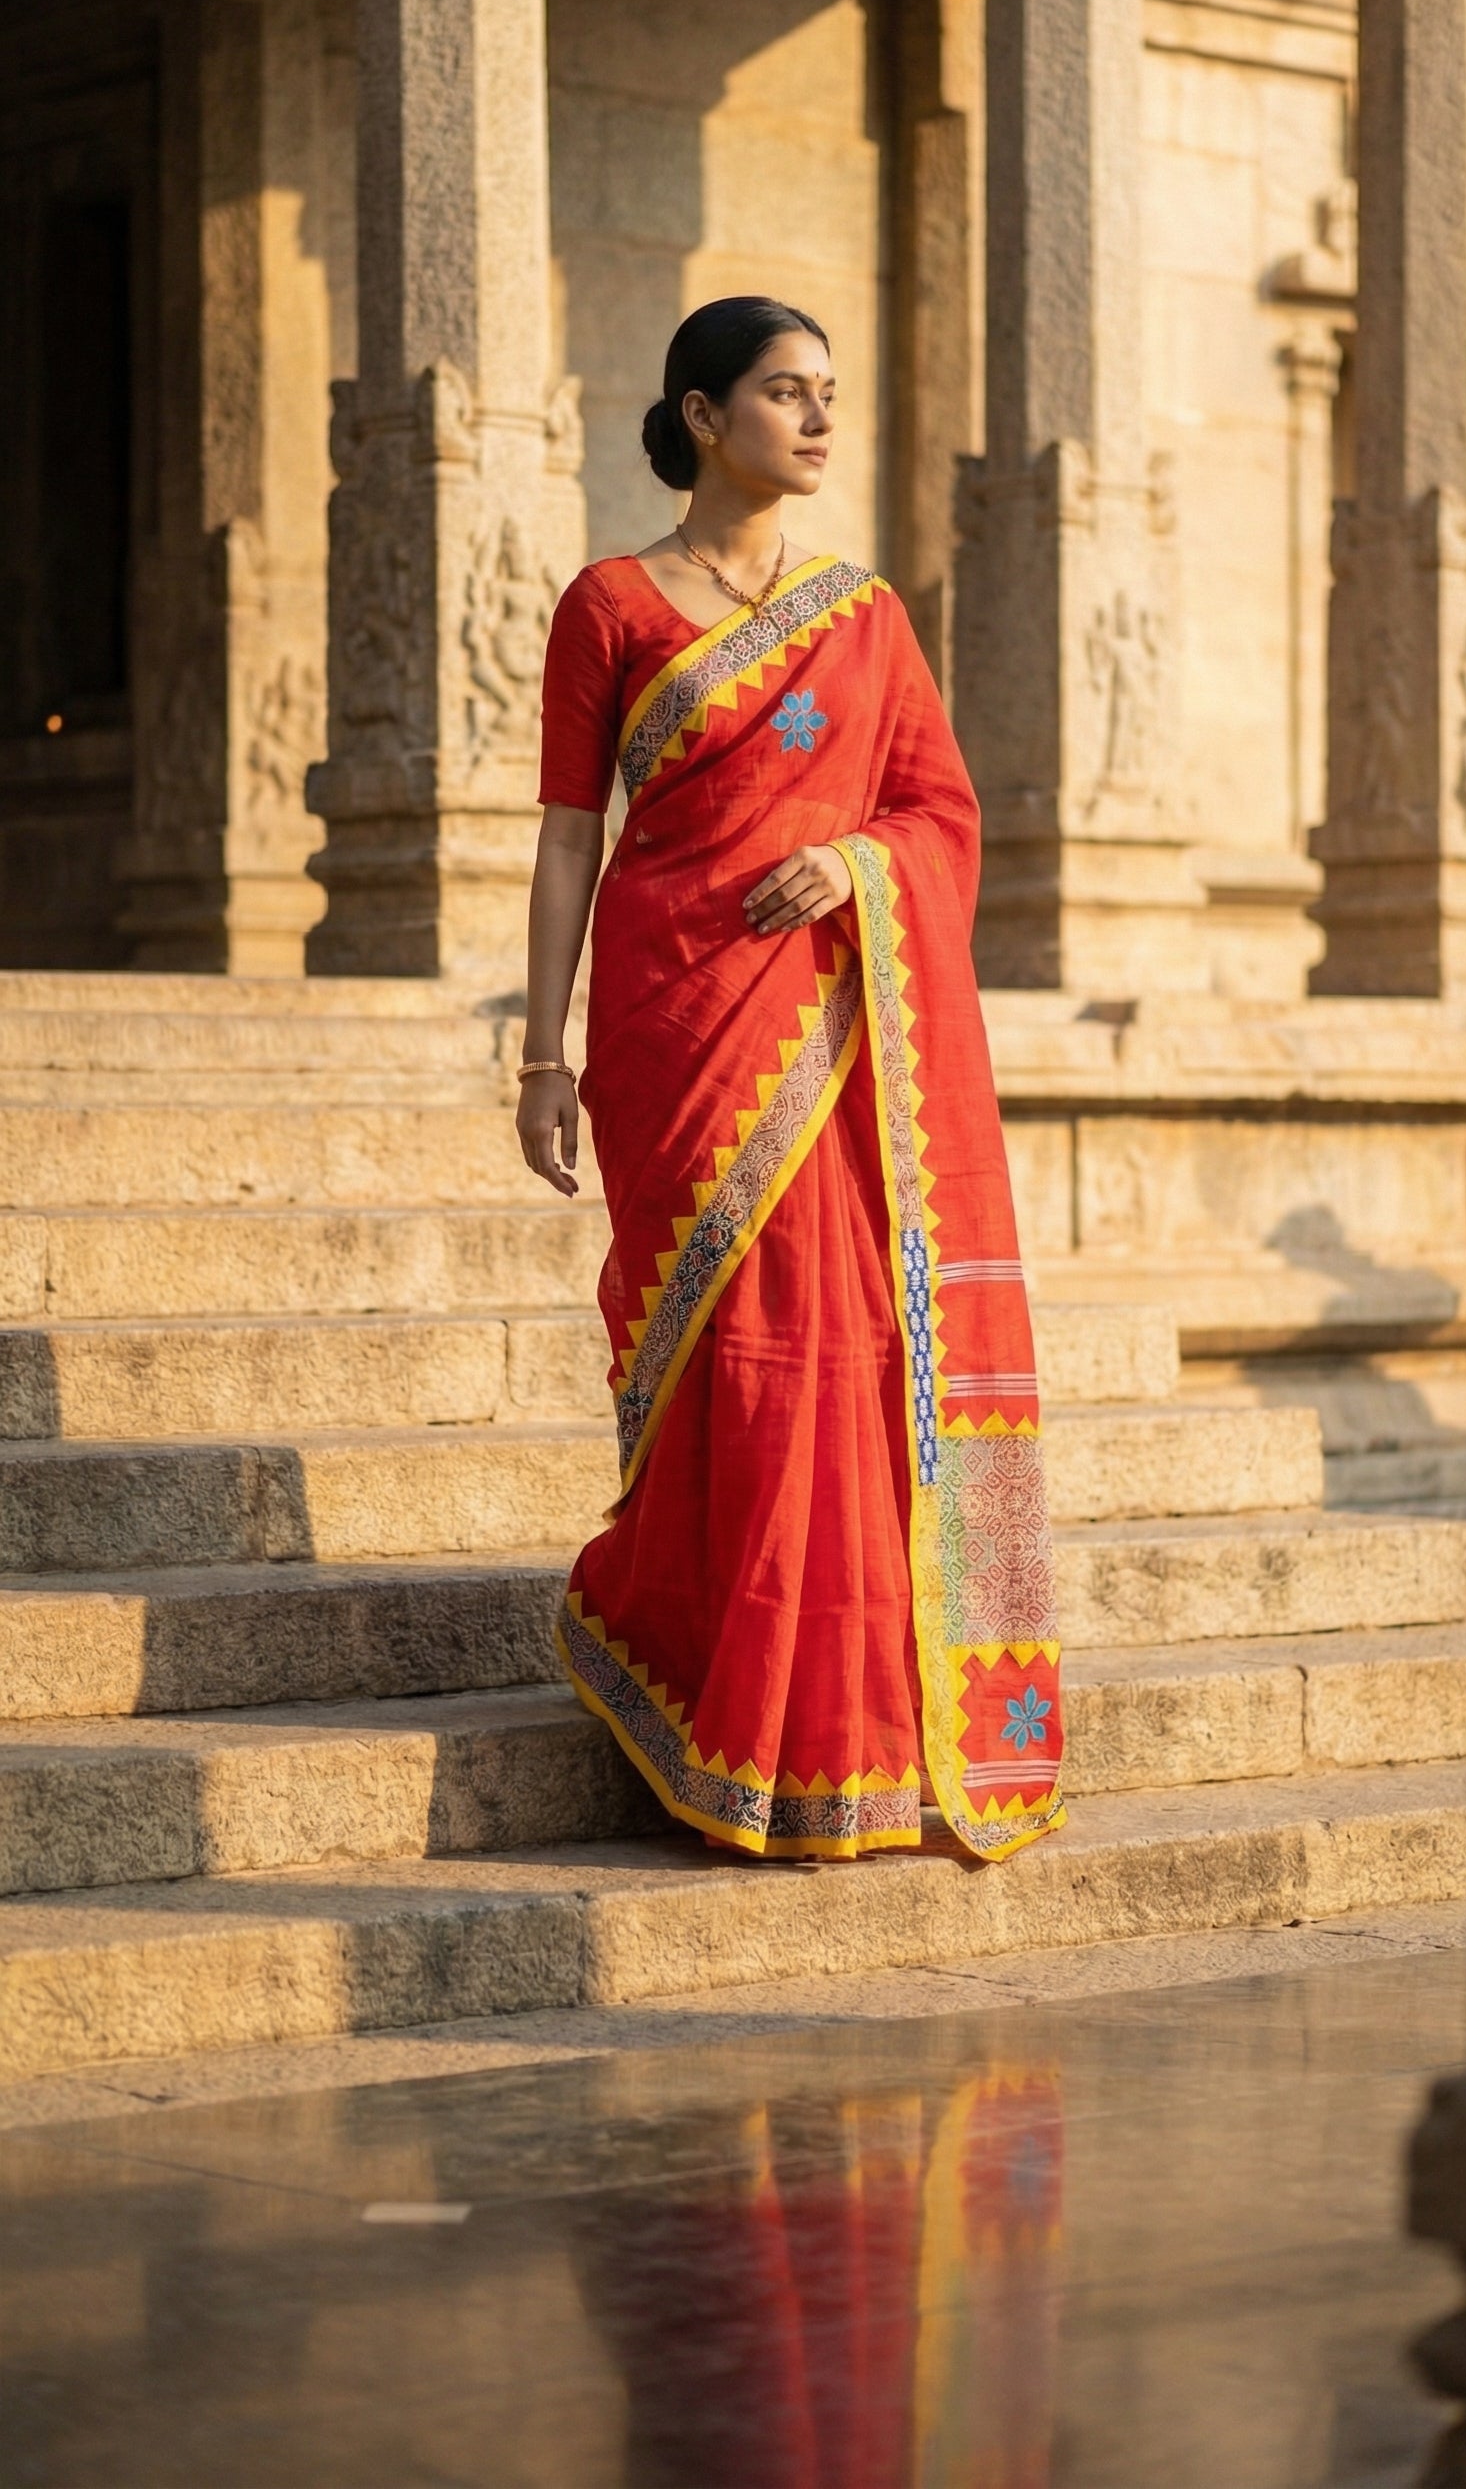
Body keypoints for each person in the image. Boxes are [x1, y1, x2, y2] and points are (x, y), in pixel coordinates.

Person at [518, 296, 1063, 1862]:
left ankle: (838, 1727)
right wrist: (543, 1053)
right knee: (725, 1354)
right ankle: (704, 1685)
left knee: (837, 1347)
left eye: (830, 392)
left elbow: (938, 816)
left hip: (831, 1027)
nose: (820, 420)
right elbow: (571, 836)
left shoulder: (865, 619)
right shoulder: (610, 605)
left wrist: (855, 863)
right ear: (702, 415)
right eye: (784, 393)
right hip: (669, 1023)